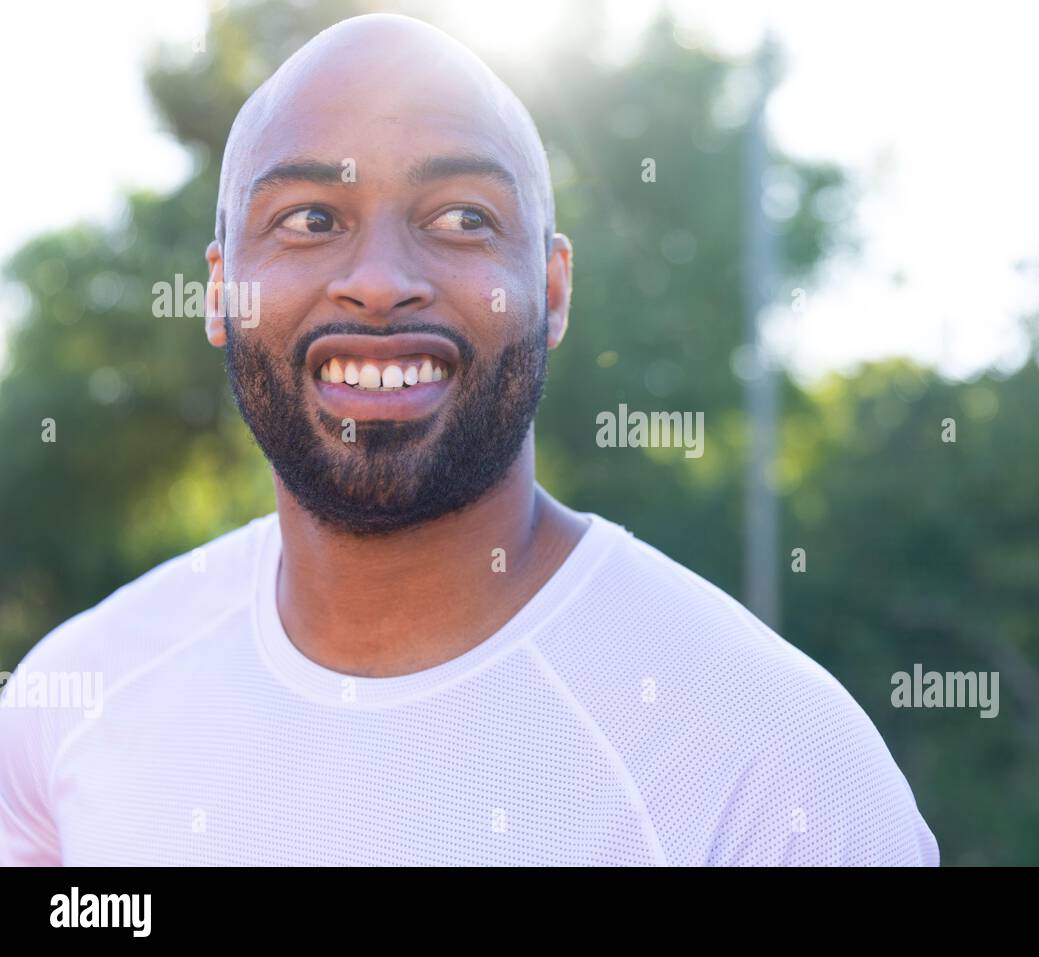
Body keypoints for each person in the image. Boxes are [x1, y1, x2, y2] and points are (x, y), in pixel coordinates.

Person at [0, 13, 938, 866]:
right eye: (309, 220)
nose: (377, 281)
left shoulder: (775, 765)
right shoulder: (72, 708)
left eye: (461, 218)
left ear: (554, 288)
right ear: (217, 290)